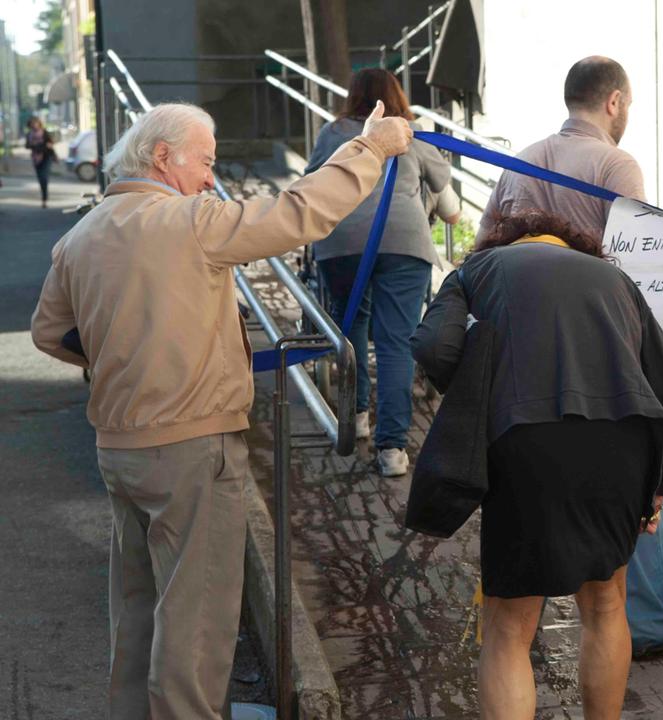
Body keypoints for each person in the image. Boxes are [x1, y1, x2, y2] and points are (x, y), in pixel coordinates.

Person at [30, 101, 412, 719]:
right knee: (196, 624)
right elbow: (298, 213)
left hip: (118, 446)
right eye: (204, 161)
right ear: (162, 156)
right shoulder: (189, 221)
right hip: (191, 447)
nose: (210, 176)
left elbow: (50, 333)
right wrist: (369, 147)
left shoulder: (82, 234)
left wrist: (127, 353)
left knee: (137, 610)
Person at [475, 55, 663, 659]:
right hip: (601, 338)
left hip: (523, 348)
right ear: (613, 102)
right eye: (630, 104)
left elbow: (482, 246)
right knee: (647, 460)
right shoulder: (614, 162)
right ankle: (653, 620)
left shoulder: (522, 160)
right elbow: (649, 254)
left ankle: (525, 615)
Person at [412, 208, 663, 719]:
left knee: (509, 626)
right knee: (607, 603)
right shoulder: (616, 280)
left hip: (526, 445)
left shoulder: (477, 271)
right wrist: (659, 487)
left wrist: (475, 390)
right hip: (623, 448)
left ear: (505, 240)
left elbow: (435, 346)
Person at [305, 68, 458, 477]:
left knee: (351, 321)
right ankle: (392, 449)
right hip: (404, 242)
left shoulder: (333, 132)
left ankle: (355, 416)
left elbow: (311, 184)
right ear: (397, 95)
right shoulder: (412, 132)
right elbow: (452, 209)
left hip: (340, 243)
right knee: (396, 343)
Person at [25, 117, 56, 208]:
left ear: (39, 124)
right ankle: (44, 196)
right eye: (32, 124)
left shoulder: (44, 132)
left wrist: (47, 145)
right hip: (36, 158)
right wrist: (33, 145)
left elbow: (51, 142)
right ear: (29, 125)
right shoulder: (29, 134)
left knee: (44, 177)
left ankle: (44, 199)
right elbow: (26, 146)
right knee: (40, 178)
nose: (34, 125)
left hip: (46, 156)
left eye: (35, 123)